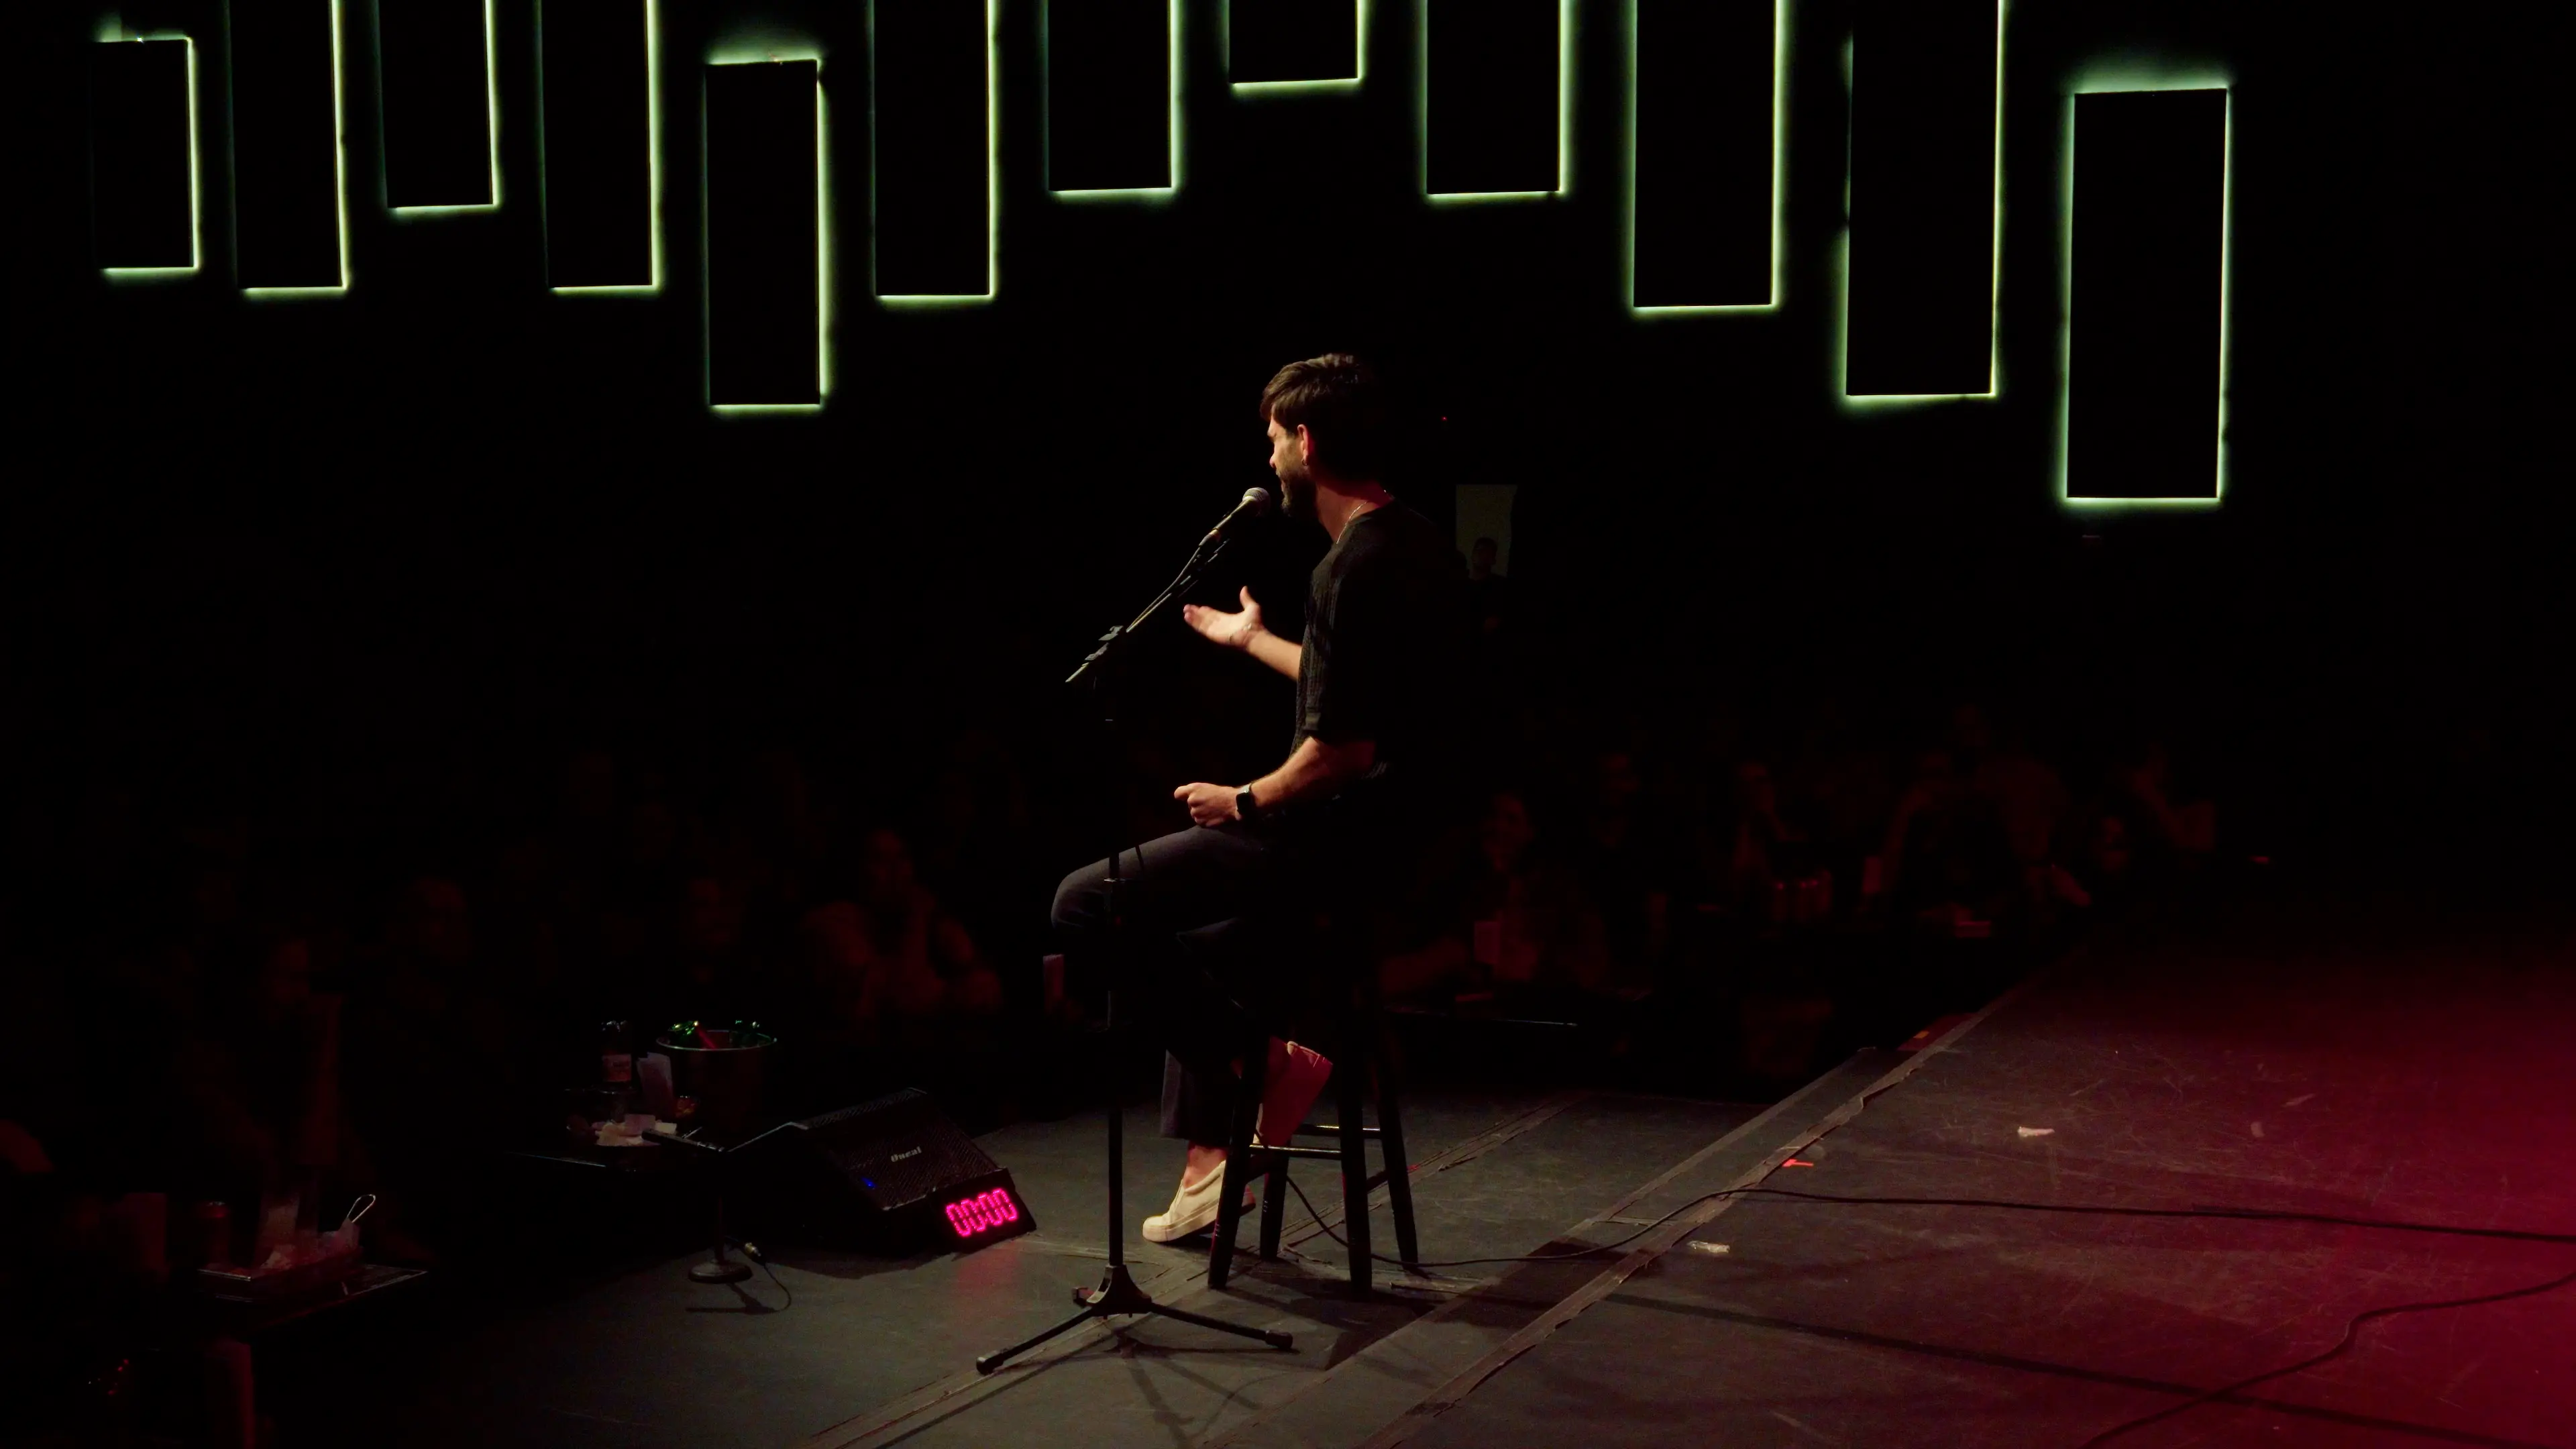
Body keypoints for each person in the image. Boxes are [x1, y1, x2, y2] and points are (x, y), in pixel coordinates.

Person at [1051, 354, 1465, 1242]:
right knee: (1208, 940)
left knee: (1086, 903)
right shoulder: (1417, 543)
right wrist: (1253, 642)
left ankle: (1263, 1066)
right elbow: (1359, 688)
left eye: (1274, 437)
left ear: (1306, 442)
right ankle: (1213, 1164)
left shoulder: (1348, 568)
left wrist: (1242, 800)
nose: (1269, 456)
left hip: (1342, 842)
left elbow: (1341, 752)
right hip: (1403, 837)